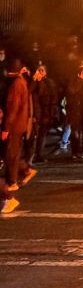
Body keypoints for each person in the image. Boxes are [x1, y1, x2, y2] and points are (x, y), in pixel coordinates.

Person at [1, 60, 36, 214]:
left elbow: (13, 108)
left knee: (11, 156)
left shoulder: (15, 84)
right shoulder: (21, 82)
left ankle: (10, 193)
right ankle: (24, 171)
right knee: (11, 155)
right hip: (18, 125)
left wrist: (6, 128)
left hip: (14, 126)